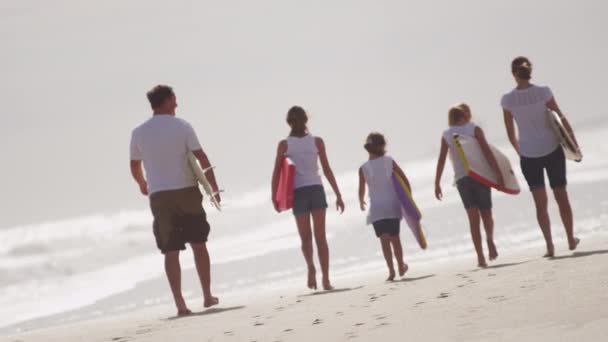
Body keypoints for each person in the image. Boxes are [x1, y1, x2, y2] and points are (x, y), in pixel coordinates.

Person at [130, 85, 220, 316]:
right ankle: (207, 295)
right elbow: (201, 157)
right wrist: (213, 187)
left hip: (159, 195)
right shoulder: (182, 126)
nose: (177, 105)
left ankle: (180, 304)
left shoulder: (139, 132)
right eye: (175, 100)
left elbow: (134, 164)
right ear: (168, 100)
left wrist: (142, 183)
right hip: (187, 191)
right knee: (199, 243)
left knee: (170, 250)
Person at [501, 56, 580, 257]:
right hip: (552, 149)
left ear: (513, 74)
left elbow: (511, 134)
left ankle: (550, 246)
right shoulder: (543, 92)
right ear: (530, 71)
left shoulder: (508, 100)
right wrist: (574, 145)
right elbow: (560, 118)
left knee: (540, 203)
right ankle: (570, 238)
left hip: (529, 155)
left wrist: (522, 151)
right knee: (561, 196)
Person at [271, 106, 345, 290]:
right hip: (316, 189)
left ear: (288, 122)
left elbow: (277, 172)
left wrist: (274, 196)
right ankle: (326, 279)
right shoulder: (317, 142)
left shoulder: (284, 145)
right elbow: (327, 169)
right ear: (306, 119)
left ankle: (311, 268)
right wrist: (338, 194)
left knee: (306, 238)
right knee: (321, 238)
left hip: (299, 193)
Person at [434, 104, 503, 267]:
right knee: (486, 213)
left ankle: (480, 256)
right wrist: (499, 173)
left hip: (462, 179)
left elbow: (442, 159)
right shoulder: (474, 129)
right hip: (480, 176)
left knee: (473, 219)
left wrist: (437, 182)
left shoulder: (446, 135)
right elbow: (487, 152)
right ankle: (490, 240)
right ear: (465, 116)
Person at [358, 133, 409, 281]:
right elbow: (404, 179)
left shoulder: (363, 168)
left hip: (376, 209)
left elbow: (361, 190)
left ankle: (391, 271)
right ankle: (401, 265)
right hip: (392, 206)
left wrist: (361, 201)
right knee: (395, 238)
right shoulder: (389, 161)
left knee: (384, 240)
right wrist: (408, 198)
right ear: (382, 146)